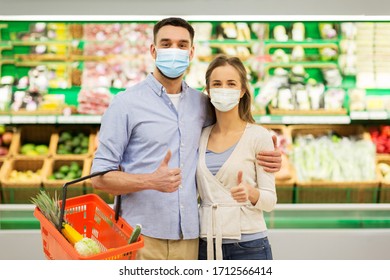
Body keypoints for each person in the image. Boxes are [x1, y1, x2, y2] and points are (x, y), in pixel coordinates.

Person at [91, 17, 281, 260]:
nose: (174, 51)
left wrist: (268, 158)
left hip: (192, 238)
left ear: (191, 52)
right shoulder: (125, 104)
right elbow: (100, 178)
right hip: (142, 238)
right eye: (166, 43)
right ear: (153, 50)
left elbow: (233, 133)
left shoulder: (202, 104)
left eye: (182, 45)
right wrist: (150, 180)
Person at [197, 54, 276, 260]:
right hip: (207, 246)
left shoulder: (258, 136)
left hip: (249, 246)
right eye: (217, 83)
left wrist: (251, 193)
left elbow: (270, 201)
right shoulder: (200, 137)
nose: (223, 89)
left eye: (231, 83)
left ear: (242, 91)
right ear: (208, 91)